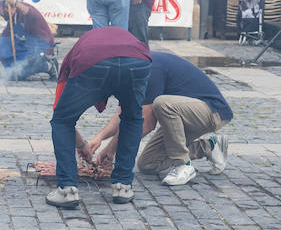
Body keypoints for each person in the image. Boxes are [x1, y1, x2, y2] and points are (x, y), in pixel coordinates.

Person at [86, 51, 233, 188]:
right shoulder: (129, 74)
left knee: (162, 104)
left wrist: (111, 150)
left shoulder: (149, 67)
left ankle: (183, 165)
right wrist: (99, 138)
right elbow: (122, 116)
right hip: (182, 116)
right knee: (148, 164)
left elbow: (146, 124)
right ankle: (211, 146)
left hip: (212, 111)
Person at [46, 26, 151, 209]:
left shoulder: (70, 63)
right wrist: (82, 145)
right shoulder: (120, 38)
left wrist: (80, 145)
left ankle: (67, 190)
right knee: (132, 118)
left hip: (92, 62)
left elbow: (61, 117)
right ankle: (123, 186)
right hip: (138, 61)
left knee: (62, 120)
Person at [0, 0, 57, 81]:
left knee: (17, 74)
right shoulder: (12, 18)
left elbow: (27, 10)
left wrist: (15, 2)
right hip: (27, 46)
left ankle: (48, 65)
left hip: (41, 48)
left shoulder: (26, 11)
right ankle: (14, 68)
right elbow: (4, 35)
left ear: (7, 8)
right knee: (0, 43)